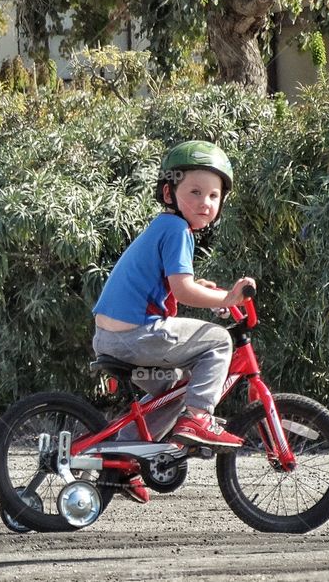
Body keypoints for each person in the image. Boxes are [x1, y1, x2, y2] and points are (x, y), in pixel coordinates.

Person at [91, 140, 256, 504]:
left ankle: (123, 459)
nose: (205, 203)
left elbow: (177, 286)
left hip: (113, 337)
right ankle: (199, 418)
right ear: (169, 192)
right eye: (194, 192)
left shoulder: (164, 228)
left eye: (213, 195)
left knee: (175, 387)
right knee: (218, 341)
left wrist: (210, 293)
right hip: (135, 334)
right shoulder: (176, 230)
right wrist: (228, 298)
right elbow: (182, 292)